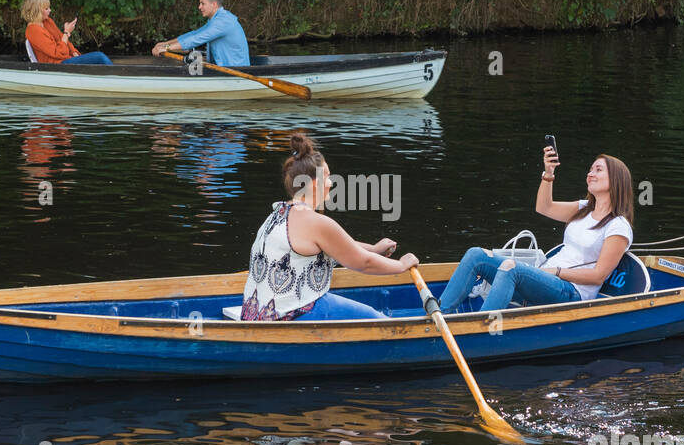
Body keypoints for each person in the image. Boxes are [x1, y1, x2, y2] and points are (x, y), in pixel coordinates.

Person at [241, 133, 418, 321]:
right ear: (316, 183)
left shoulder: (277, 213)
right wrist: (401, 265)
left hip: (256, 316)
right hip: (293, 314)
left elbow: (337, 246)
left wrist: (374, 249)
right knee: (379, 321)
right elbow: (362, 263)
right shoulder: (316, 222)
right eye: (327, 177)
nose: (331, 183)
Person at [439, 150, 635, 313]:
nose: (590, 174)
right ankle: (440, 317)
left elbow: (598, 276)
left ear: (616, 179)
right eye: (590, 169)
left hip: (571, 292)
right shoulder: (584, 208)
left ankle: (479, 331)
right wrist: (548, 173)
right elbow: (544, 207)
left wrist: (556, 271)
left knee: (511, 267)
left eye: (598, 170)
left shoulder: (618, 226)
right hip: (548, 280)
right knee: (476, 255)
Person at [152, 0, 250, 67]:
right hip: (222, 67)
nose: (199, 7)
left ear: (214, 4)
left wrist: (167, 48)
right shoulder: (216, 20)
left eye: (202, 4)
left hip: (237, 70)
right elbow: (194, 34)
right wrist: (165, 43)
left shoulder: (223, 22)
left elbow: (196, 39)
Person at [21, 0, 112, 65]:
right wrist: (66, 32)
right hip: (55, 65)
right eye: (46, 8)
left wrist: (74, 52)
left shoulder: (47, 22)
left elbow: (62, 39)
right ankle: (117, 77)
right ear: (37, 11)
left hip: (66, 59)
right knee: (100, 57)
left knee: (97, 59)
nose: (50, 10)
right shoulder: (33, 31)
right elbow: (57, 53)